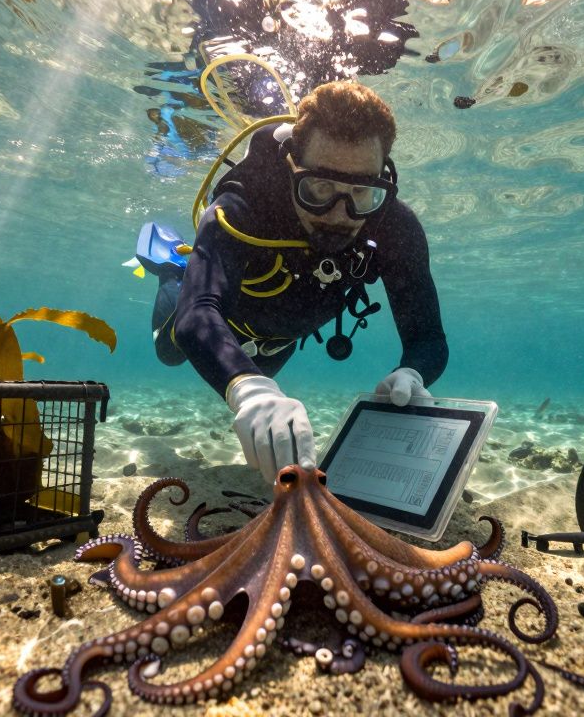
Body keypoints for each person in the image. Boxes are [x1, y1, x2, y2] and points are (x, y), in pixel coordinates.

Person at [136, 81, 448, 484]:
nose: (340, 213)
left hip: (281, 336)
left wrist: (413, 374)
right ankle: (172, 268)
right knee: (170, 352)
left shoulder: (395, 227)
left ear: (382, 178)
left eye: (361, 192)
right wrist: (249, 390)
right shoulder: (238, 208)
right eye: (319, 187)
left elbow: (428, 339)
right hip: (223, 318)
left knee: (265, 371)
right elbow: (197, 316)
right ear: (291, 166)